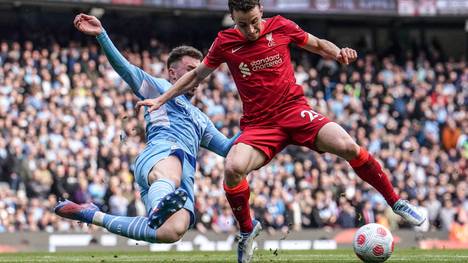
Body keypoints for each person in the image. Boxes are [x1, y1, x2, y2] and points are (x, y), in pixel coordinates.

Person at [136, 1, 426, 262]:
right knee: (233, 168)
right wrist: (162, 99)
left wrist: (338, 53)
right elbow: (196, 74)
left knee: (348, 145)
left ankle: (396, 202)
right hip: (259, 125)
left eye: (253, 21)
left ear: (260, 9)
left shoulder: (281, 26)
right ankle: (247, 232)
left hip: (295, 112)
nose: (250, 29)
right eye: (242, 24)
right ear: (232, 19)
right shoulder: (225, 42)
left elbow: (315, 43)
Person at [54, 14, 239, 244]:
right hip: (161, 155)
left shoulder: (202, 120)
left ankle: (93, 215)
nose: (197, 75)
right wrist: (102, 35)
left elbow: (229, 149)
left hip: (182, 176)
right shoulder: (160, 89)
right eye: (190, 69)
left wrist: (256, 117)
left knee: (171, 231)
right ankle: (160, 204)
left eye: (198, 69)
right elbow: (127, 71)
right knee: (171, 169)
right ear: (172, 73)